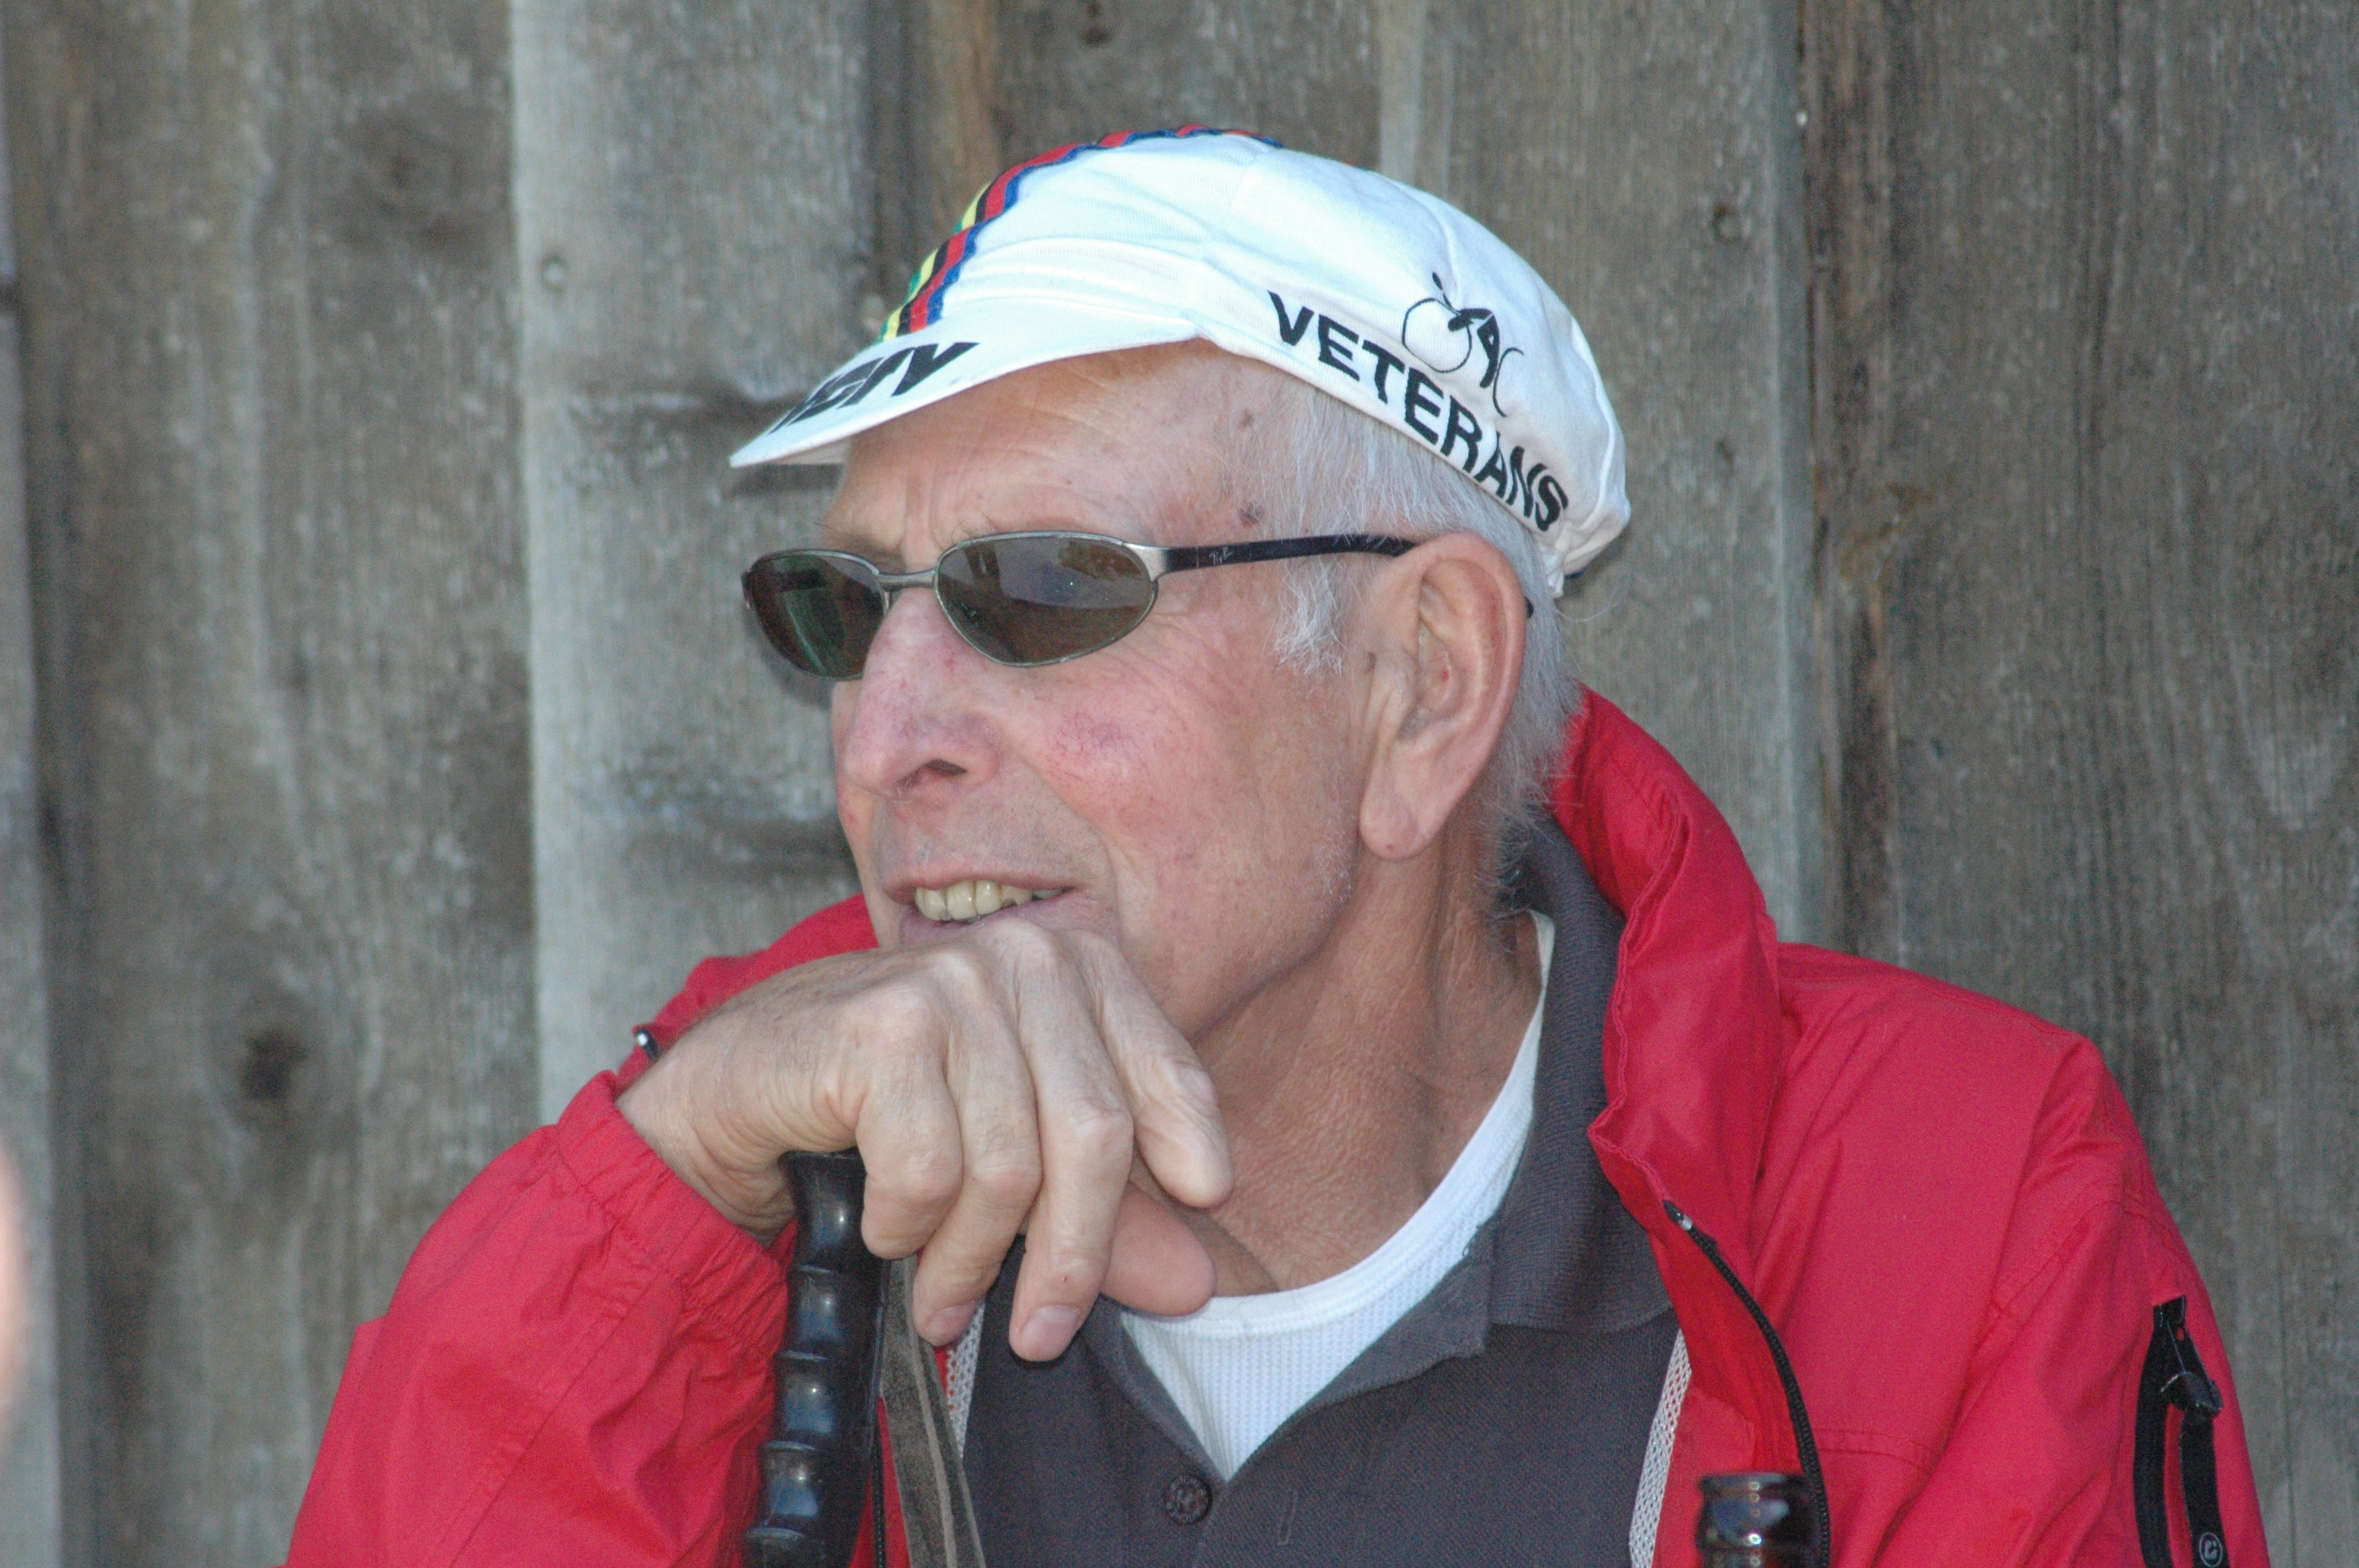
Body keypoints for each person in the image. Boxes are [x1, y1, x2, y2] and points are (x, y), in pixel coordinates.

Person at [285, 129, 2267, 1567]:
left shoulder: (1946, 1206)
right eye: (839, 609)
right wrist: (667, 1210)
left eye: (1039, 589)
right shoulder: (737, 1154)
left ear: (1418, 687)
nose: (884, 741)